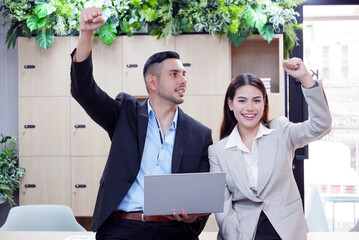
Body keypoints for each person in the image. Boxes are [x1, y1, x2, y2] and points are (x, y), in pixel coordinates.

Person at [70, 6, 212, 240]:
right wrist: (86, 34)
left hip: (173, 231)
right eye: (174, 74)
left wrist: (193, 217)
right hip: (122, 228)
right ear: (152, 82)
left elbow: (202, 196)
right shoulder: (124, 114)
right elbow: (84, 91)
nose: (183, 80)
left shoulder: (199, 133)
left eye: (184, 74)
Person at [209, 58, 332, 240]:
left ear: (264, 103)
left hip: (286, 232)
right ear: (230, 104)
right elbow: (223, 209)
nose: (249, 108)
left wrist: (305, 78)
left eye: (256, 100)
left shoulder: (281, 130)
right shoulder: (218, 151)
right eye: (242, 101)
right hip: (242, 234)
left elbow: (321, 125)